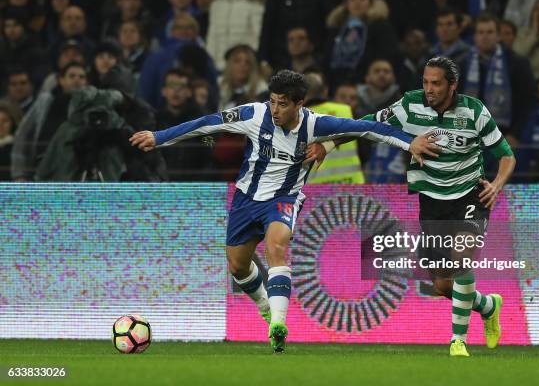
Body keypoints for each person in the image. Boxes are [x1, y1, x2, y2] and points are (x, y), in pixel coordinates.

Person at [129, 69, 435, 352]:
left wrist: (411, 144)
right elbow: (206, 123)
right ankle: (265, 307)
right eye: (273, 102)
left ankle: (278, 324)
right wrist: (158, 137)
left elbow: (367, 128)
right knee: (237, 266)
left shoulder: (316, 124)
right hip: (246, 198)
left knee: (277, 246)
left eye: (283, 104)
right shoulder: (253, 114)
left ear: (299, 104)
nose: (275, 110)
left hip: (285, 198)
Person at [311, 57, 516, 357]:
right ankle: (488, 306)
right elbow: (367, 124)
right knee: (444, 286)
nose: (429, 89)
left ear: (452, 85)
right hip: (432, 203)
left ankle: (457, 341)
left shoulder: (474, 111)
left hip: (470, 196)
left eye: (436, 83)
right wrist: (329, 145)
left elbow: (507, 155)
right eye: (425, 82)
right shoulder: (409, 107)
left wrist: (496, 185)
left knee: (461, 257)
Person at [461, 12, 537, 147]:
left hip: (505, 137)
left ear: (498, 36)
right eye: (480, 32)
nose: (485, 37)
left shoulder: (517, 63)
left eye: (490, 32)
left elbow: (528, 103)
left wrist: (515, 134)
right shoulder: (462, 65)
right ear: (475, 37)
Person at [11, 62, 88, 181]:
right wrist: (19, 174)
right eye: (71, 76)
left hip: (77, 176)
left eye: (81, 77)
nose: (76, 80)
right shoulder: (45, 101)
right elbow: (22, 136)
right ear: (61, 80)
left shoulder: (92, 107)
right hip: (40, 171)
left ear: (86, 82)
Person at [303, 71, 365, 184]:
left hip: (316, 189)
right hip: (351, 184)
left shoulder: (297, 119)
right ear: (325, 91)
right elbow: (364, 149)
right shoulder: (347, 111)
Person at [206, 0, 265, 70]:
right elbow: (212, 38)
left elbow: (257, 36)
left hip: (244, 66)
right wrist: (209, 63)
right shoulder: (216, 5)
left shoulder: (254, 3)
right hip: (218, 66)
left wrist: (252, 61)